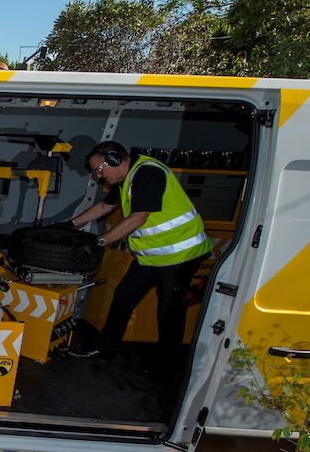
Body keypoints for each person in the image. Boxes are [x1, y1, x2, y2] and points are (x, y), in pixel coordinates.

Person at [66, 141, 212, 368]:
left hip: (181, 254)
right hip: (152, 256)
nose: (98, 176)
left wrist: (101, 241)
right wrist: (70, 225)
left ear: (115, 160)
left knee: (168, 310)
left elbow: (138, 218)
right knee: (123, 297)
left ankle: (167, 368)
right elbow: (105, 206)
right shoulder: (126, 179)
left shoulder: (149, 173)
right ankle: (105, 349)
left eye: (99, 170)